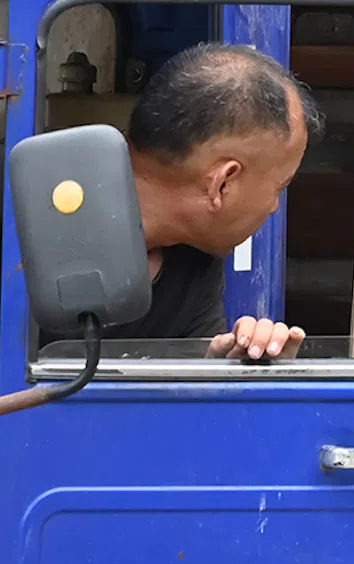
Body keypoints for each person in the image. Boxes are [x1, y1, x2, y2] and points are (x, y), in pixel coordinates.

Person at [119, 41, 316, 362]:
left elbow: (181, 398)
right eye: (280, 187)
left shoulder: (195, 259)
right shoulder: (23, 214)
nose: (274, 207)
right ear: (223, 183)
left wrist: (231, 371)